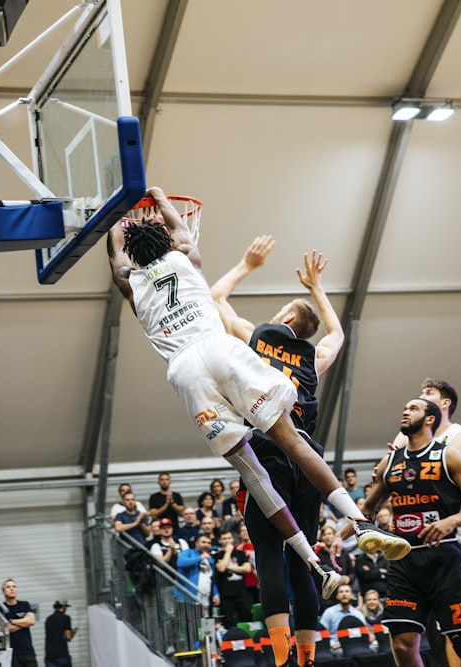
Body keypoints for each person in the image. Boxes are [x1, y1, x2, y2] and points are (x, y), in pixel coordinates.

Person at [108, 191, 406, 601]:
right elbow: (179, 229)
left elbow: (117, 261)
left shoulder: (132, 286)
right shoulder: (185, 258)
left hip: (186, 371)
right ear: (167, 244)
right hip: (221, 350)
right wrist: (157, 196)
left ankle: (314, 564)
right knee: (294, 443)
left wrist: (111, 219)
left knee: (253, 474)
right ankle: (359, 521)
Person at [207, 234, 370, 666]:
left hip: (269, 451)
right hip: (309, 459)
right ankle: (307, 658)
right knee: (305, 559)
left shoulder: (256, 341)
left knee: (269, 552)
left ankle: (281, 659)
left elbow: (215, 297)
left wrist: (246, 263)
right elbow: (337, 333)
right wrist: (317, 287)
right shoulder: (312, 359)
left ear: (282, 318)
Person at [364, 397, 461, 667]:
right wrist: (340, 538)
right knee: (402, 644)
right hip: (404, 561)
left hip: (443, 559)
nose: (405, 411)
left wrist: (452, 521)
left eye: (413, 408)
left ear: (430, 418)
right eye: (404, 407)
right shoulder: (391, 462)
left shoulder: (449, 455)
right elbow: (368, 508)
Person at [389, 378, 461, 667]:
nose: (420, 396)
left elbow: (441, 484)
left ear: (443, 405)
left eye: (428, 394)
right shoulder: (407, 436)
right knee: (415, 637)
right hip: (415, 540)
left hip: (457, 530)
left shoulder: (459, 435)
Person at [214, 531, 253, 627]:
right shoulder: (217, 555)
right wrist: (228, 552)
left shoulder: (240, 554)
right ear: (219, 540)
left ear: (232, 539)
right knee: (228, 621)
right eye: (224, 538)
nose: (227, 540)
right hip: (226, 595)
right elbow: (221, 568)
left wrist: (229, 567)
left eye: (229, 538)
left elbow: (247, 569)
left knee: (247, 618)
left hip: (242, 593)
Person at [319, 584, 372, 655]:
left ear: (352, 595)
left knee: (374, 647)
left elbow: (365, 632)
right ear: (337, 596)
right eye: (341, 592)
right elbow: (322, 633)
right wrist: (332, 644)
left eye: (347, 591)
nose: (344, 594)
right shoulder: (329, 612)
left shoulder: (357, 613)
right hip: (336, 646)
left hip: (356, 644)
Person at [174, 534, 219, 615]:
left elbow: (212, 579)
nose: (206, 545)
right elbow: (180, 563)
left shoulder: (210, 560)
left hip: (206, 598)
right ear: (197, 544)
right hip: (188, 598)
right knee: (190, 625)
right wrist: (200, 557)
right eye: (203, 542)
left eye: (209, 543)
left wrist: (216, 594)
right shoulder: (188, 552)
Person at [1, 578, 38, 667]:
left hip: (28, 651)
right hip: (12, 654)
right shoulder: (0, 608)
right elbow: (5, 629)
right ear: (3, 592)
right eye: (8, 587)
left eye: (14, 586)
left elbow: (32, 621)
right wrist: (24, 623)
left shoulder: (25, 605)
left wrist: (12, 621)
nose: (12, 589)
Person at [44, 600, 76, 667]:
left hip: (49, 655)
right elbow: (68, 637)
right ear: (63, 607)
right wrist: (73, 632)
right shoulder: (65, 618)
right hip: (62, 654)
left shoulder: (48, 619)